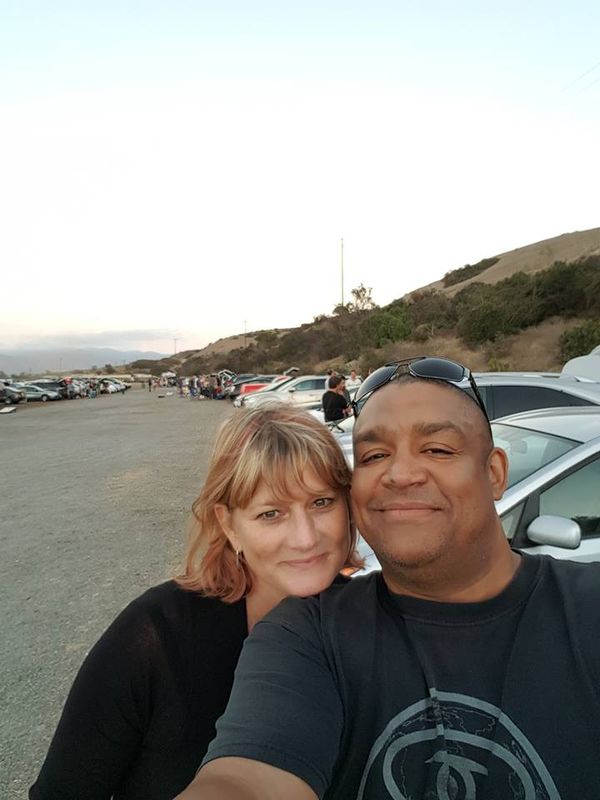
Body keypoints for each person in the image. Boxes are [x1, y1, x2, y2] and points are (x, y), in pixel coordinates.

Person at [178, 356, 600, 799]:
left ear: (494, 473)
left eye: (437, 449)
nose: (400, 474)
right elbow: (245, 779)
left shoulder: (588, 608)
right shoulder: (305, 635)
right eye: (375, 456)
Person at [29, 405, 361, 800]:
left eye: (321, 502)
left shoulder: (377, 624)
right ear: (228, 524)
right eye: (271, 513)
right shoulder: (156, 635)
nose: (305, 538)